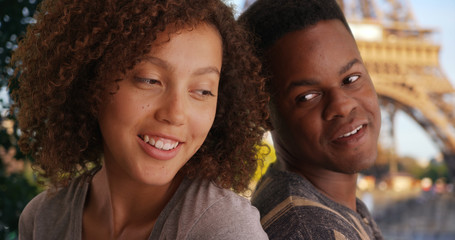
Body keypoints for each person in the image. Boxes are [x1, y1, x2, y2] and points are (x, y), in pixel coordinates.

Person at [10, 0, 270, 239]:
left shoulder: (225, 229)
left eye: (203, 90)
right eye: (149, 80)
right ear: (90, 81)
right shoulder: (42, 220)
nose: (176, 113)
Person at [239, 0, 384, 239]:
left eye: (351, 79)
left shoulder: (302, 197)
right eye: (307, 96)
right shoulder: (310, 231)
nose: (342, 105)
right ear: (260, 112)